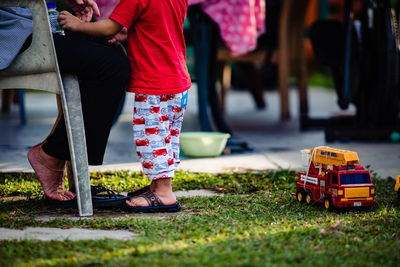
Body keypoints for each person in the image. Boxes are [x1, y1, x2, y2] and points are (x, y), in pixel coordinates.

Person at [59, 0, 191, 212]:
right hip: (177, 80)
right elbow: (159, 27)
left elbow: (109, 27)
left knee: (152, 139)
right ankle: (157, 186)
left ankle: (165, 193)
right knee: (166, 138)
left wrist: (77, 24)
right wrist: (130, 34)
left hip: (154, 84)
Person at [0, 0, 130, 203]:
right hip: (10, 31)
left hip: (25, 20)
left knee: (113, 50)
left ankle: (54, 152)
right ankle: (52, 155)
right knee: (110, 65)